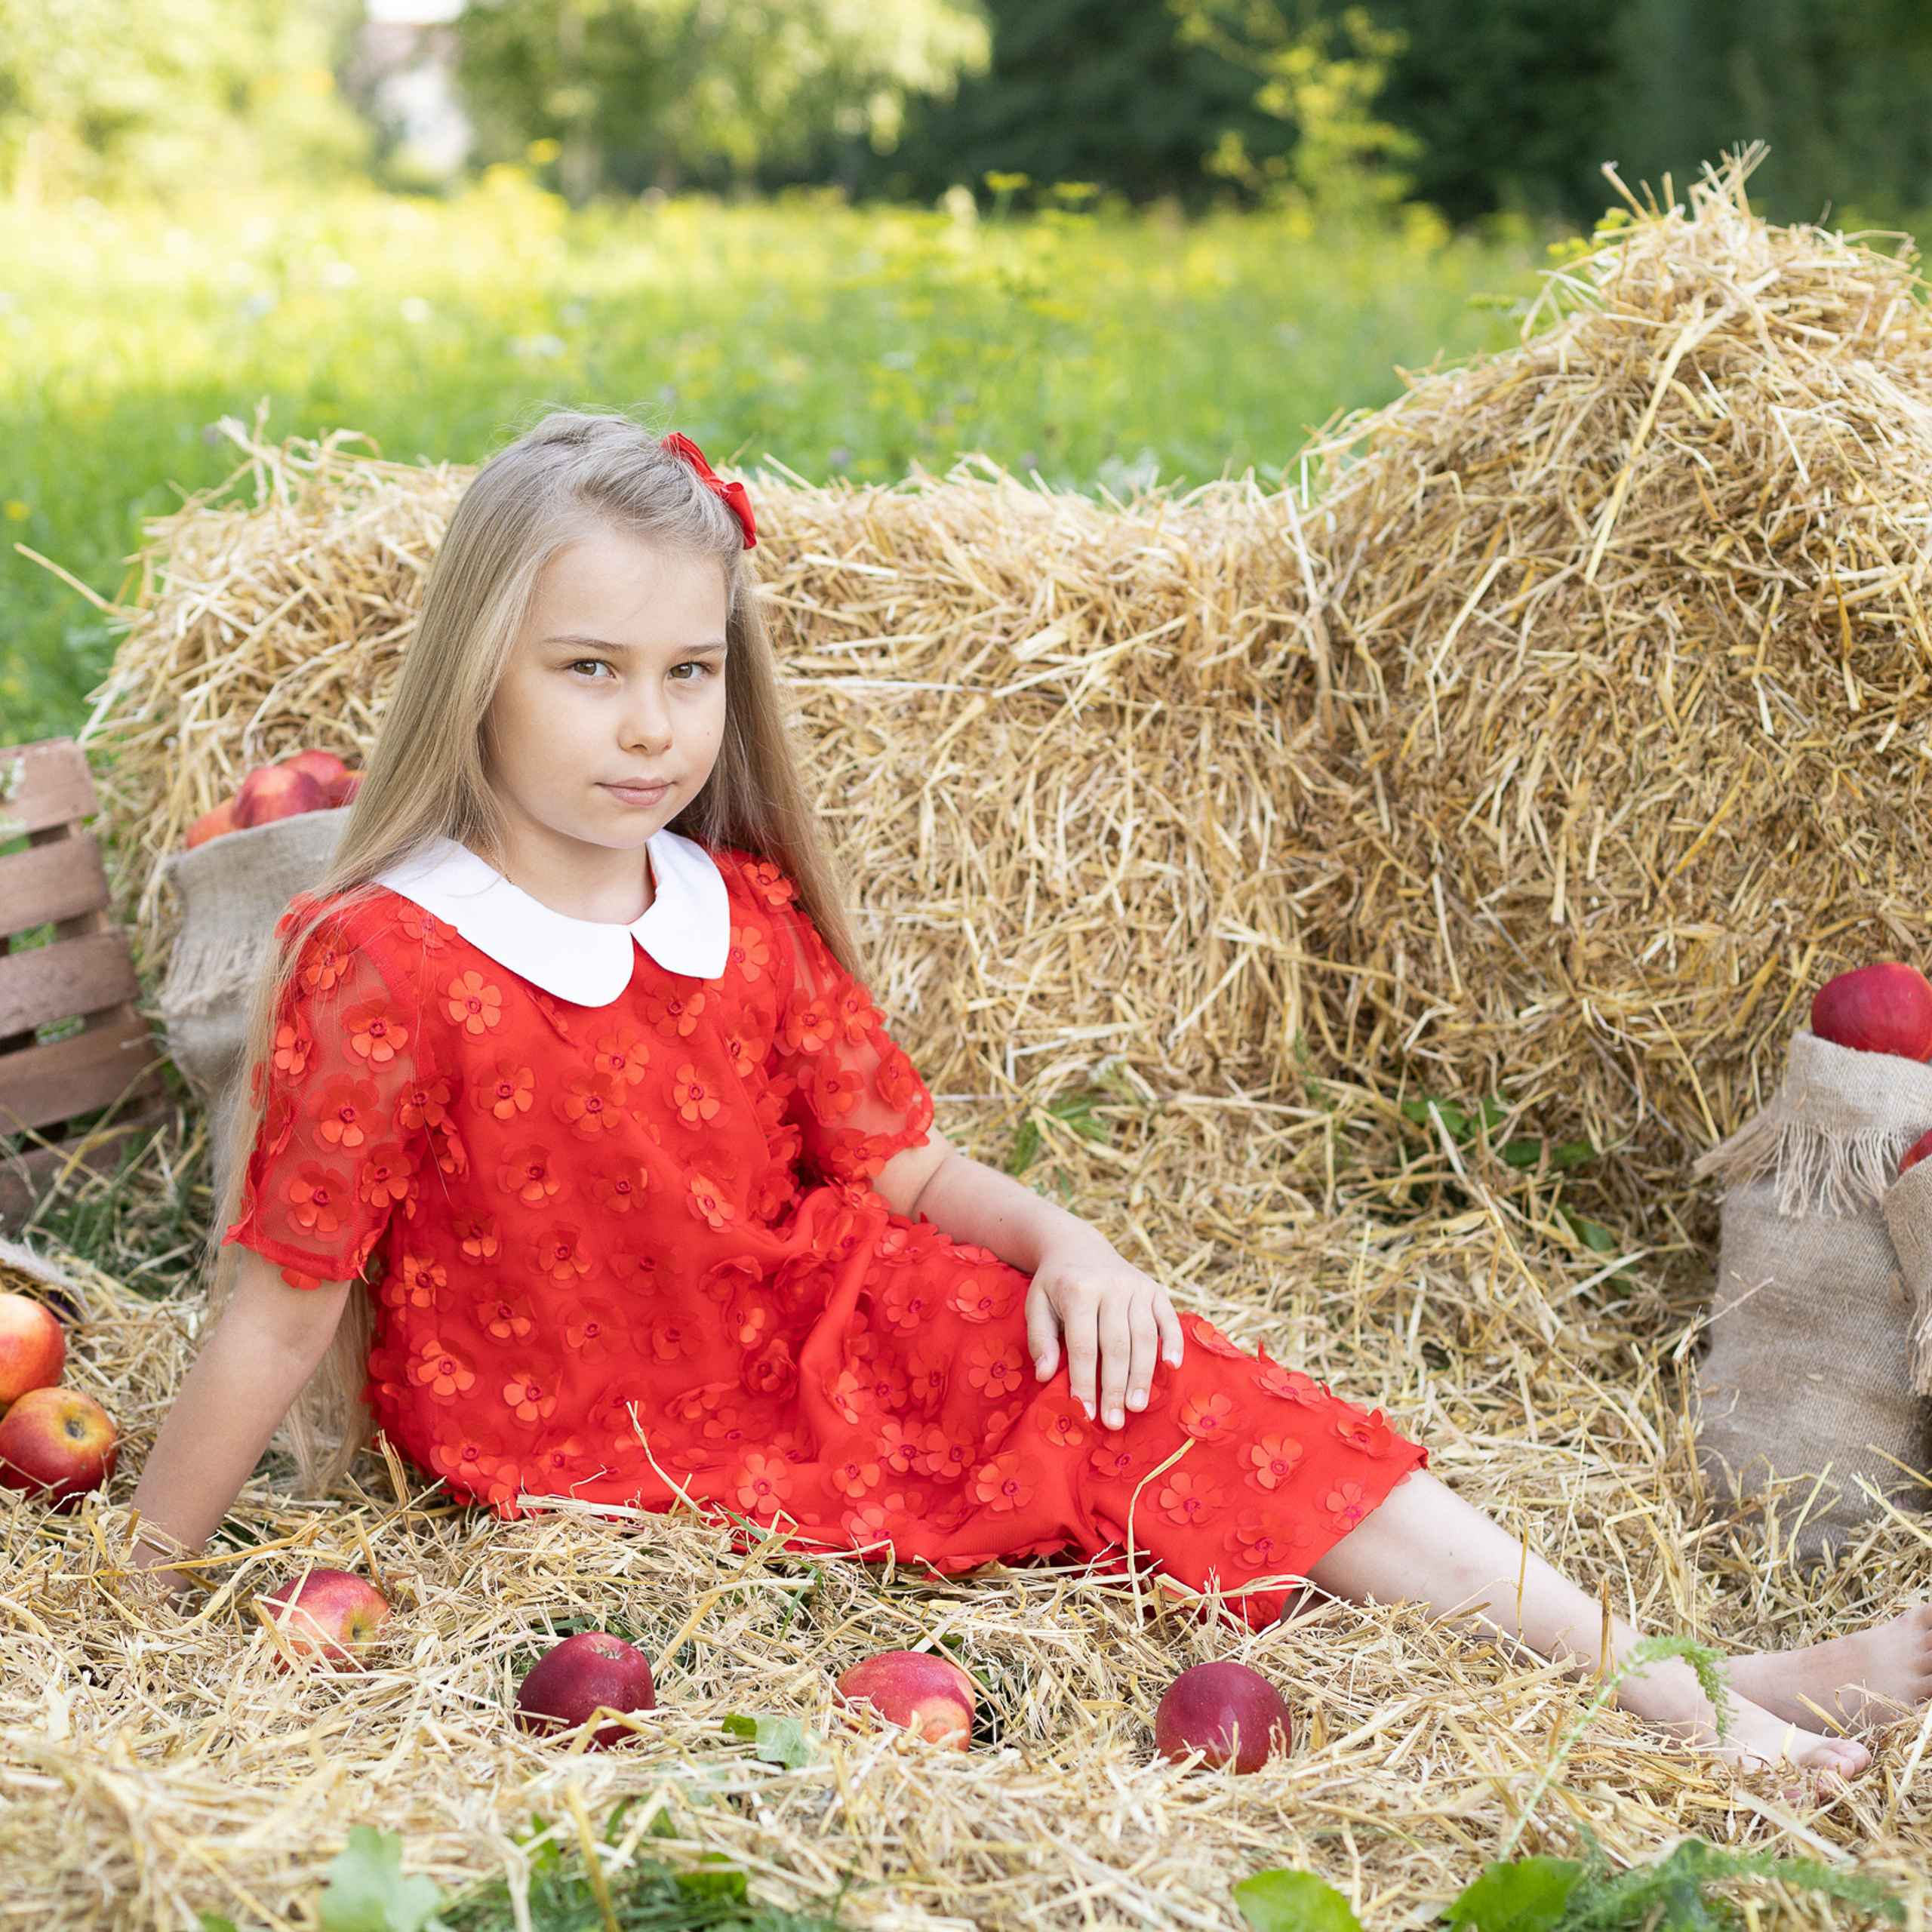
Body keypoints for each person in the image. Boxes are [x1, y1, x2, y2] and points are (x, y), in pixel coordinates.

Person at [131, 411, 1927, 1777]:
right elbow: (283, 1298)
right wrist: (136, 1584)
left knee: (1165, 1381)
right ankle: (1695, 1697)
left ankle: (1683, 1687)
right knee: (1141, 1439)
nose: (651, 726)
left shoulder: (729, 905)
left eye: (688, 672)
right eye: (588, 670)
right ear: (477, 671)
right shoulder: (391, 953)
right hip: (591, 1429)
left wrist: (1071, 1243)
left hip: (800, 1327)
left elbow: (899, 1164)